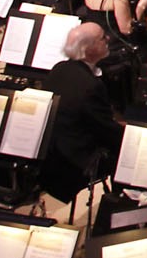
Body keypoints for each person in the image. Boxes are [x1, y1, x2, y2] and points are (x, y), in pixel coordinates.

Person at [41, 22, 123, 201]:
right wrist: (133, 137)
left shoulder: (59, 69)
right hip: (75, 162)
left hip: (53, 153)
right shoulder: (90, 86)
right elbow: (106, 131)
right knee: (130, 152)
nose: (108, 39)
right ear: (89, 49)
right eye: (102, 38)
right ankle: (123, 202)